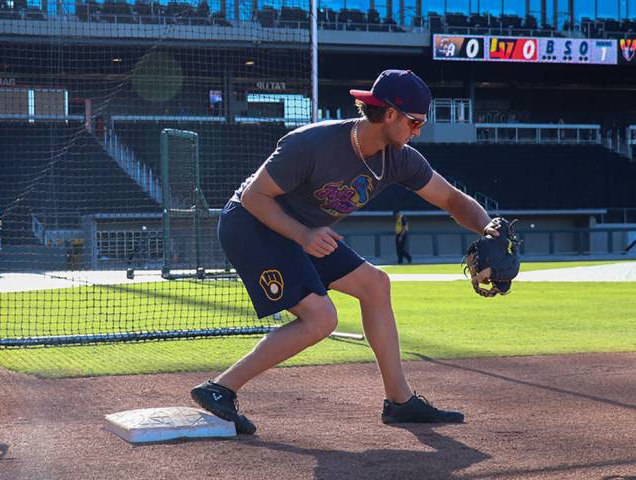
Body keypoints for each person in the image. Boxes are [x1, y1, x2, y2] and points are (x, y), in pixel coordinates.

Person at [191, 69, 502, 434]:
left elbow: (451, 198)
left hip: (304, 231)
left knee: (375, 284)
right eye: (414, 122)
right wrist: (302, 234)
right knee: (321, 318)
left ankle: (399, 402)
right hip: (252, 224)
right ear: (389, 114)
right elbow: (253, 197)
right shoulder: (313, 144)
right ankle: (219, 389)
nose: (419, 131)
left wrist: (488, 227)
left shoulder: (399, 158)